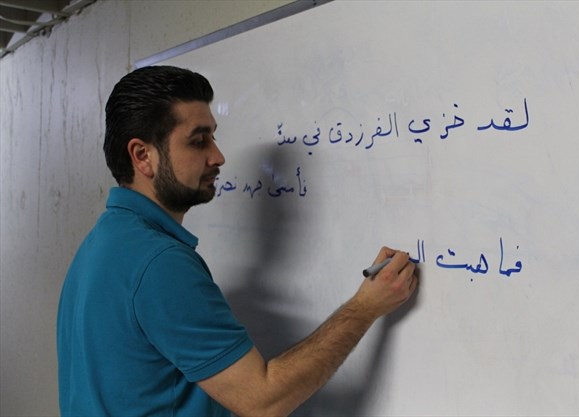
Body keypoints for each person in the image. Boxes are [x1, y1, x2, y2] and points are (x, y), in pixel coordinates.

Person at [56, 65, 419, 417]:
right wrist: (365, 307)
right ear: (142, 156)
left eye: (213, 137)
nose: (217, 156)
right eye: (199, 141)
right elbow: (262, 402)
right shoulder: (159, 262)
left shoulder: (101, 243)